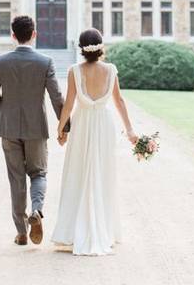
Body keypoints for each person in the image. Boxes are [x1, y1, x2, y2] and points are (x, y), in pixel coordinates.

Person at [51, 27, 138, 256]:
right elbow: (119, 101)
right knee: (102, 174)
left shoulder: (74, 71)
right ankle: (103, 228)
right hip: (104, 124)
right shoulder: (110, 70)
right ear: (101, 47)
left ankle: (73, 230)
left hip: (82, 124)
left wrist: (61, 129)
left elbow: (68, 105)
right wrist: (130, 130)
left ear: (81, 48)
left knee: (78, 173)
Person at [0, 15, 68, 246]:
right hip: (36, 128)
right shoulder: (45, 62)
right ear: (34, 34)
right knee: (38, 173)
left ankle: (21, 232)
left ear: (13, 35)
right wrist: (65, 125)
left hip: (8, 127)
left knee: (16, 178)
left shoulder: (0, 61)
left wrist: (6, 104)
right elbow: (56, 97)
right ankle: (37, 211)